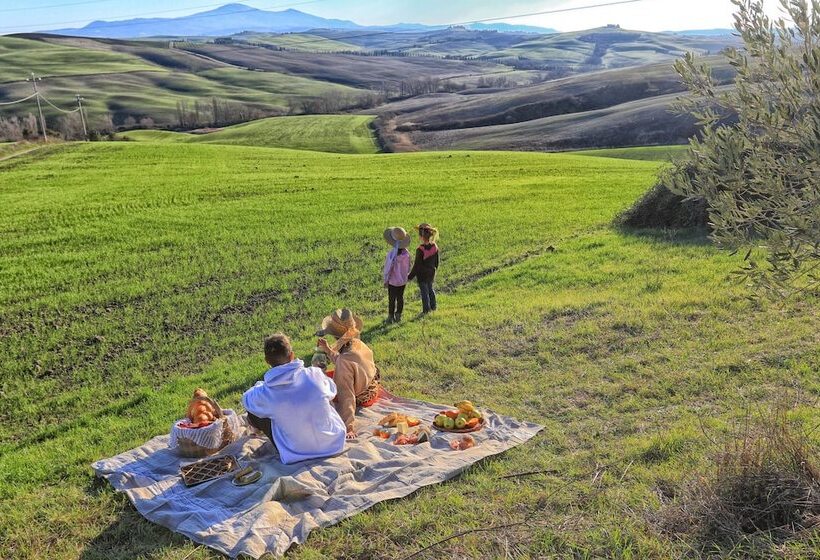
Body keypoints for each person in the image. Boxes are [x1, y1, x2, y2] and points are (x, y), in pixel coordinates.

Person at [242, 333, 346, 464]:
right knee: (323, 395)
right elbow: (332, 390)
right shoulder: (314, 374)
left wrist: (259, 386)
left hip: (295, 452)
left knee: (254, 409)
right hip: (332, 443)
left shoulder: (265, 393)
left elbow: (245, 400)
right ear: (292, 355)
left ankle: (256, 432)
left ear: (267, 361)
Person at [316, 309, 380, 439]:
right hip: (372, 387)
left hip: (363, 397)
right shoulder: (357, 343)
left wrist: (349, 426)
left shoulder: (344, 360)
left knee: (319, 383)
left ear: (335, 336)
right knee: (330, 375)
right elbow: (345, 361)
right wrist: (328, 350)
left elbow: (347, 395)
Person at [407, 222, 440, 313]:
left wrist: (409, 276)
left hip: (422, 275)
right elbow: (437, 262)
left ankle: (426, 309)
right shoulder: (435, 247)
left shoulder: (420, 250)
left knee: (424, 292)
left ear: (421, 236)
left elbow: (417, 266)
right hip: (431, 273)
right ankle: (433, 307)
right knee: (430, 289)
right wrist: (434, 269)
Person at [382, 226, 412, 323]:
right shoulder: (407, 254)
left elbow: (388, 269)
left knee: (392, 299)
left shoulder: (391, 255)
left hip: (393, 281)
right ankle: (398, 315)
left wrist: (386, 280)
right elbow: (409, 266)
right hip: (403, 281)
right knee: (400, 298)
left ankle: (390, 317)